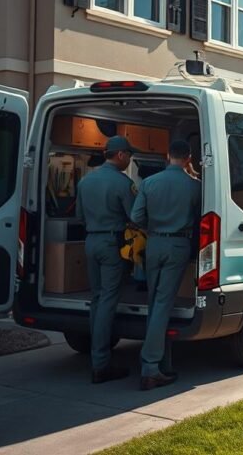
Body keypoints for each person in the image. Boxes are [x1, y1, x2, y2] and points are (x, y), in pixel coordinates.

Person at [131, 140, 201, 391]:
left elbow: (136, 217)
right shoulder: (194, 187)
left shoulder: (149, 183)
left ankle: (161, 361)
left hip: (154, 244)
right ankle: (150, 367)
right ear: (188, 158)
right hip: (178, 245)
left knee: (154, 301)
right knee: (163, 303)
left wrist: (153, 228)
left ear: (167, 155)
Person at [76, 135, 137, 383]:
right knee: (108, 301)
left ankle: (96, 355)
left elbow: (80, 216)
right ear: (120, 155)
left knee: (97, 297)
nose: (129, 159)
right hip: (112, 243)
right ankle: (101, 363)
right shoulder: (123, 183)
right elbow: (135, 216)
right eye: (129, 155)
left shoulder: (85, 181)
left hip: (91, 241)